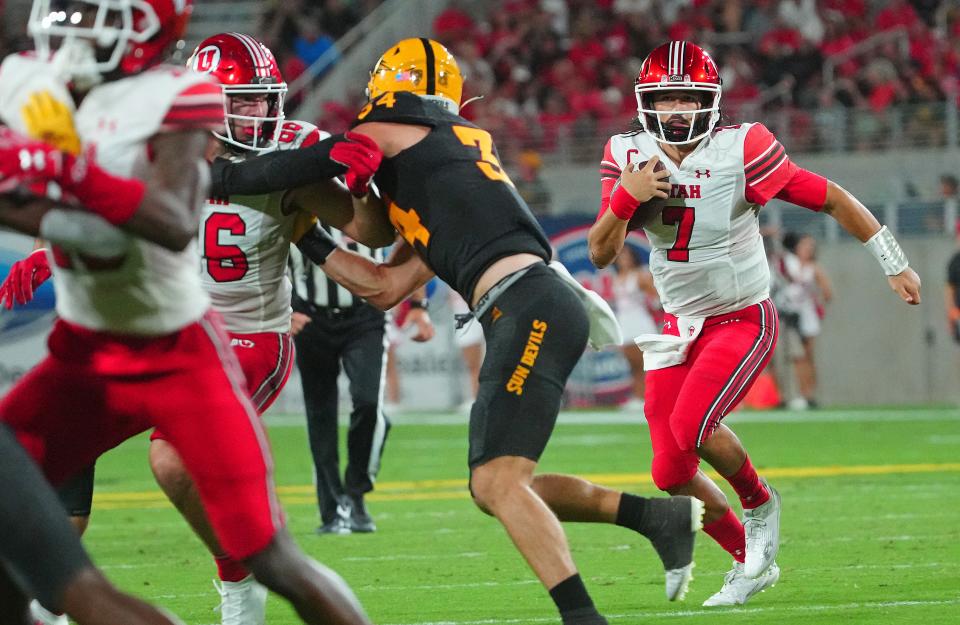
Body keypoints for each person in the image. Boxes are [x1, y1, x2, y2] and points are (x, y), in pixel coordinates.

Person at [205, 37, 707, 624]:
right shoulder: (448, 174)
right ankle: (653, 518)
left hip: (527, 304)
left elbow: (332, 155)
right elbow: (380, 277)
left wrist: (222, 177)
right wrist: (307, 233)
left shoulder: (393, 124)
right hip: (534, 301)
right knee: (493, 484)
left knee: (498, 485)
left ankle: (582, 616)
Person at [0, 4, 376, 625]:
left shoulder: (175, 96)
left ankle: (236, 585)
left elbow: (172, 222)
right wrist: (51, 228)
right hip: (84, 349)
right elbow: (37, 194)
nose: (76, 29)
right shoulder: (28, 80)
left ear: (148, 27)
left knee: (272, 558)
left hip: (177, 348)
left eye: (98, 15)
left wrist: (64, 176)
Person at [588, 40, 921, 607]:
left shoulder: (742, 148)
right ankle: (750, 560)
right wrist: (625, 197)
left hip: (740, 315)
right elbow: (599, 252)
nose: (673, 111)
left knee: (693, 425)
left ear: (709, 101)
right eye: (662, 99)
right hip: (677, 325)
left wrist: (894, 260)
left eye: (685, 98)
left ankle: (760, 501)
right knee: (669, 470)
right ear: (645, 103)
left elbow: (830, 198)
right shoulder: (628, 154)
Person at [289, 234, 434, 535]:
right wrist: (284, 309)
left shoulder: (370, 193)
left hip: (365, 316)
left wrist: (419, 305)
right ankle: (331, 510)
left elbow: (410, 238)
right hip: (310, 316)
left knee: (369, 402)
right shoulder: (299, 195)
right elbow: (272, 254)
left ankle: (355, 493)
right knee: (320, 413)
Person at [779, 232, 832, 409]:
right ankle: (801, 393)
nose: (808, 249)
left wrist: (815, 301)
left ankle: (809, 394)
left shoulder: (813, 267)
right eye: (804, 245)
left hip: (807, 315)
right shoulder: (790, 264)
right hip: (791, 315)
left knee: (807, 355)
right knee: (798, 356)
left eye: (810, 246)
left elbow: (827, 292)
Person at [610, 245, 659, 411]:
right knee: (632, 364)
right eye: (620, 256)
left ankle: (649, 398)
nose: (623, 259)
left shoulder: (640, 275)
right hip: (624, 323)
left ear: (632, 257)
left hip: (639, 322)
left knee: (644, 363)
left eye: (626, 256)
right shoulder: (617, 278)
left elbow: (656, 298)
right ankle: (638, 397)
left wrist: (654, 303)